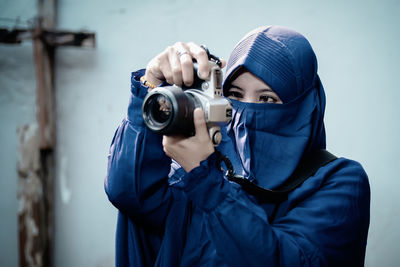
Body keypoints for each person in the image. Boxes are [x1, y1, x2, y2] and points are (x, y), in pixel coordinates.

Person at [105, 25, 370, 266]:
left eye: (266, 99)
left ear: (302, 109)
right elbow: (129, 192)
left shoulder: (338, 182)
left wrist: (207, 185)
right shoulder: (204, 161)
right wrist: (152, 85)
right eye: (234, 95)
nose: (246, 112)